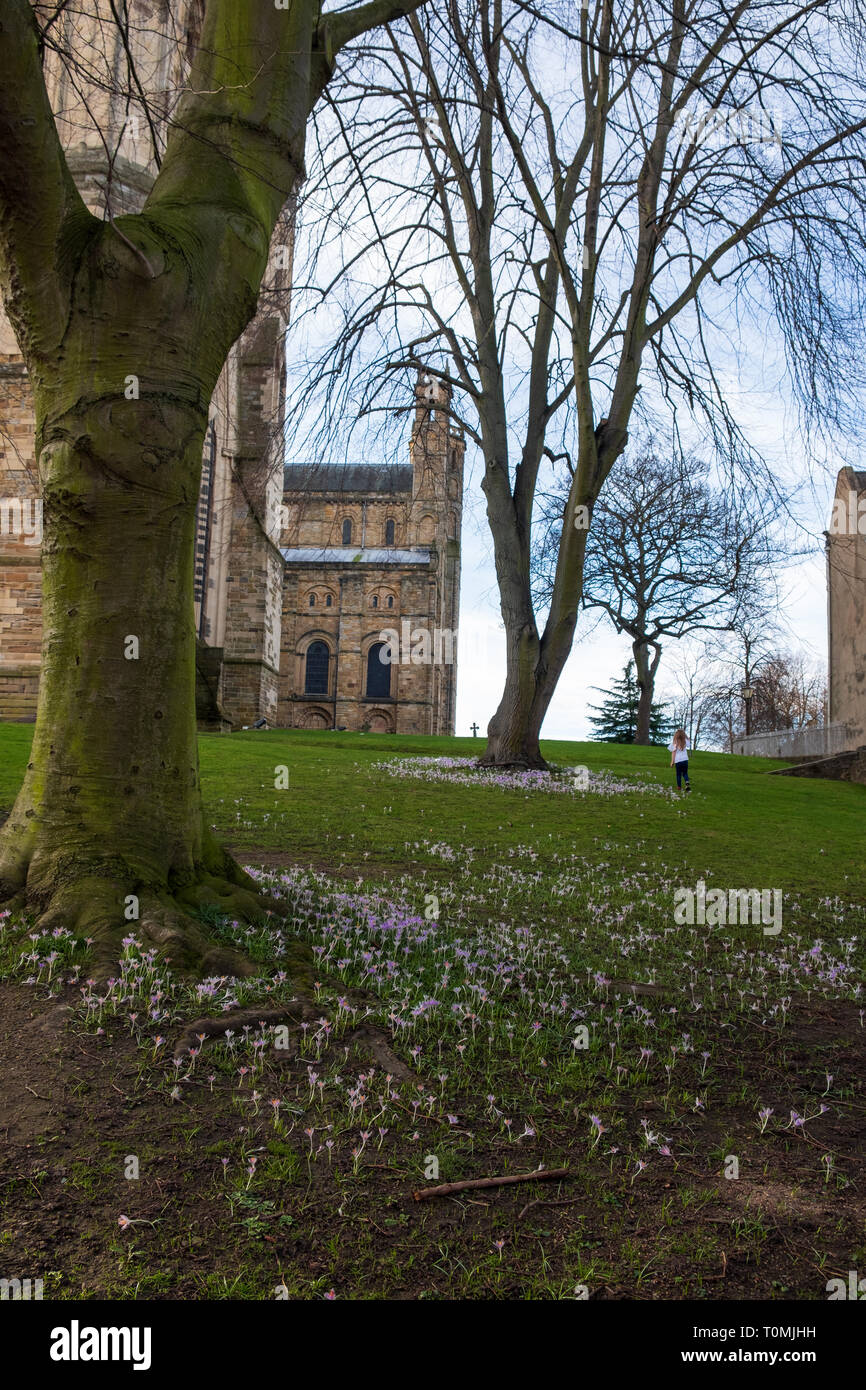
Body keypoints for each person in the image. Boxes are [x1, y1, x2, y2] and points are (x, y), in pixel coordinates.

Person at [669, 728, 691, 792]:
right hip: (685, 760)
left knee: (678, 774)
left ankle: (679, 787)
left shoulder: (674, 742)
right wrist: (687, 738)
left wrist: (672, 762)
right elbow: (689, 744)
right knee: (685, 773)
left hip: (678, 761)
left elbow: (673, 752)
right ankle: (687, 782)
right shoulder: (685, 741)